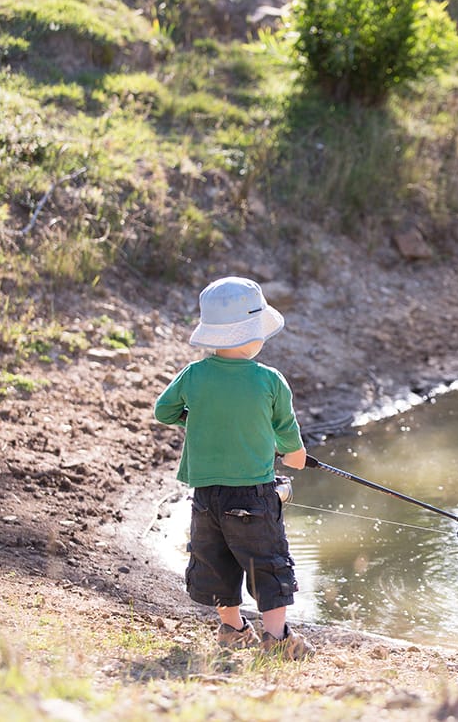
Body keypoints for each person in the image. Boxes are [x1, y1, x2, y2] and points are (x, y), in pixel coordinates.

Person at [154, 276, 314, 660]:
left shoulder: (194, 374)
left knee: (215, 560)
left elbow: (164, 411)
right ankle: (276, 640)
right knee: (268, 563)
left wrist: (200, 418)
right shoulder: (269, 379)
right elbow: (286, 431)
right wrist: (295, 456)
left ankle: (233, 628)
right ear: (252, 335)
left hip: (206, 494)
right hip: (255, 495)